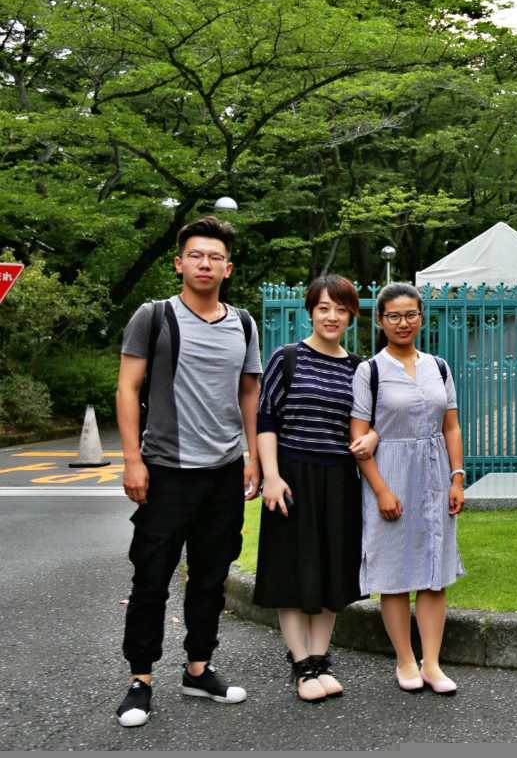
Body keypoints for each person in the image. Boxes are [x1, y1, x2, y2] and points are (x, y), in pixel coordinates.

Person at [114, 216, 261, 727]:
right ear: (179, 263)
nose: (205, 264)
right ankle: (141, 679)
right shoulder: (154, 317)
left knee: (210, 577)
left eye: (215, 257)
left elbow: (249, 391)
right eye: (196, 255)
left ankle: (198, 668)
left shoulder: (244, 323)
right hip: (166, 469)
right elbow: (127, 387)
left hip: (223, 472)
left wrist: (252, 455)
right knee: (151, 577)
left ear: (228, 268)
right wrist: (132, 459)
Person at [253, 274, 381, 702]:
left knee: (332, 571)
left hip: (339, 479)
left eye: (341, 309)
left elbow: (371, 421)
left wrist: (373, 437)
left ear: (351, 316)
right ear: (310, 311)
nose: (332, 316)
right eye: (324, 307)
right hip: (291, 474)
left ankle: (321, 659)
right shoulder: (286, 358)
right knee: (291, 570)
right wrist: (271, 476)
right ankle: (301, 664)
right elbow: (266, 419)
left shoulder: (359, 368)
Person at [349, 283, 466, 694]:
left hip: (436, 474)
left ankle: (432, 662)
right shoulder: (370, 371)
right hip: (391, 474)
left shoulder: (439, 366)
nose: (403, 323)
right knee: (395, 570)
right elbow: (359, 438)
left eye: (411, 314)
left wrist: (457, 477)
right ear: (381, 321)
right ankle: (405, 659)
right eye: (394, 316)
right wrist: (381, 490)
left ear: (421, 317)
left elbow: (451, 426)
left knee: (435, 571)